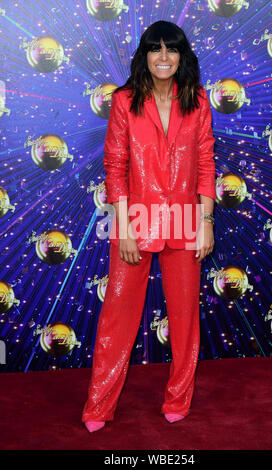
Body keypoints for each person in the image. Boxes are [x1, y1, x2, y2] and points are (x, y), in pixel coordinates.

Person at [82, 20, 216, 432]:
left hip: (185, 220)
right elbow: (115, 166)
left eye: (171, 50)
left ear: (181, 57)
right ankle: (99, 405)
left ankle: (179, 397)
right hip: (134, 220)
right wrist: (123, 228)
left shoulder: (197, 100)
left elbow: (206, 163)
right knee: (117, 317)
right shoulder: (124, 101)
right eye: (156, 50)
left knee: (184, 318)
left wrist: (206, 221)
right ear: (145, 55)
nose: (163, 58)